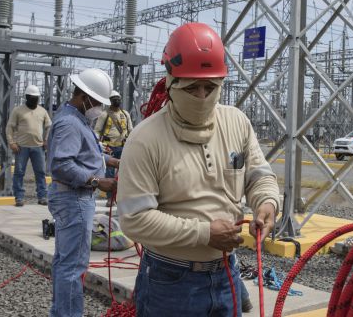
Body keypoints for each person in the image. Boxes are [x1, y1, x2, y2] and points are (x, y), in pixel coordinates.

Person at [117, 22, 280, 316]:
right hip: (170, 283)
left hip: (226, 274)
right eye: (192, 87)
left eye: (211, 86)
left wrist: (267, 202)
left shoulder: (236, 122)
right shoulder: (145, 139)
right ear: (170, 81)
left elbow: (258, 175)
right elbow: (135, 220)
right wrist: (203, 233)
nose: (203, 96)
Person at [46, 68, 120, 317]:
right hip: (74, 198)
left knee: (64, 262)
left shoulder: (77, 119)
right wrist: (98, 181)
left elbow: (87, 155)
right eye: (98, 102)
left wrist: (112, 162)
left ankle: (60, 312)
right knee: (73, 267)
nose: (99, 107)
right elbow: (62, 164)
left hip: (71, 197)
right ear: (84, 97)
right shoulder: (70, 122)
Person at [6, 84, 52, 207]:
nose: (35, 100)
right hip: (21, 147)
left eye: (36, 98)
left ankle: (42, 196)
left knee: (41, 172)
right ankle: (19, 197)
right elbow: (10, 127)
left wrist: (46, 140)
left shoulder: (42, 111)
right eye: (33, 97)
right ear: (27, 97)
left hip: (38, 147)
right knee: (19, 173)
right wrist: (12, 142)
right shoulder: (18, 110)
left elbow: (49, 126)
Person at [94, 89, 133, 207]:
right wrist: (97, 143)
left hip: (122, 147)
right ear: (110, 101)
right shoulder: (104, 115)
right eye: (114, 99)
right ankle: (110, 198)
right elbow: (97, 130)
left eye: (118, 99)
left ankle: (123, 197)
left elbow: (131, 130)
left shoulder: (125, 114)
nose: (117, 101)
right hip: (109, 148)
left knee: (125, 173)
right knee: (110, 174)